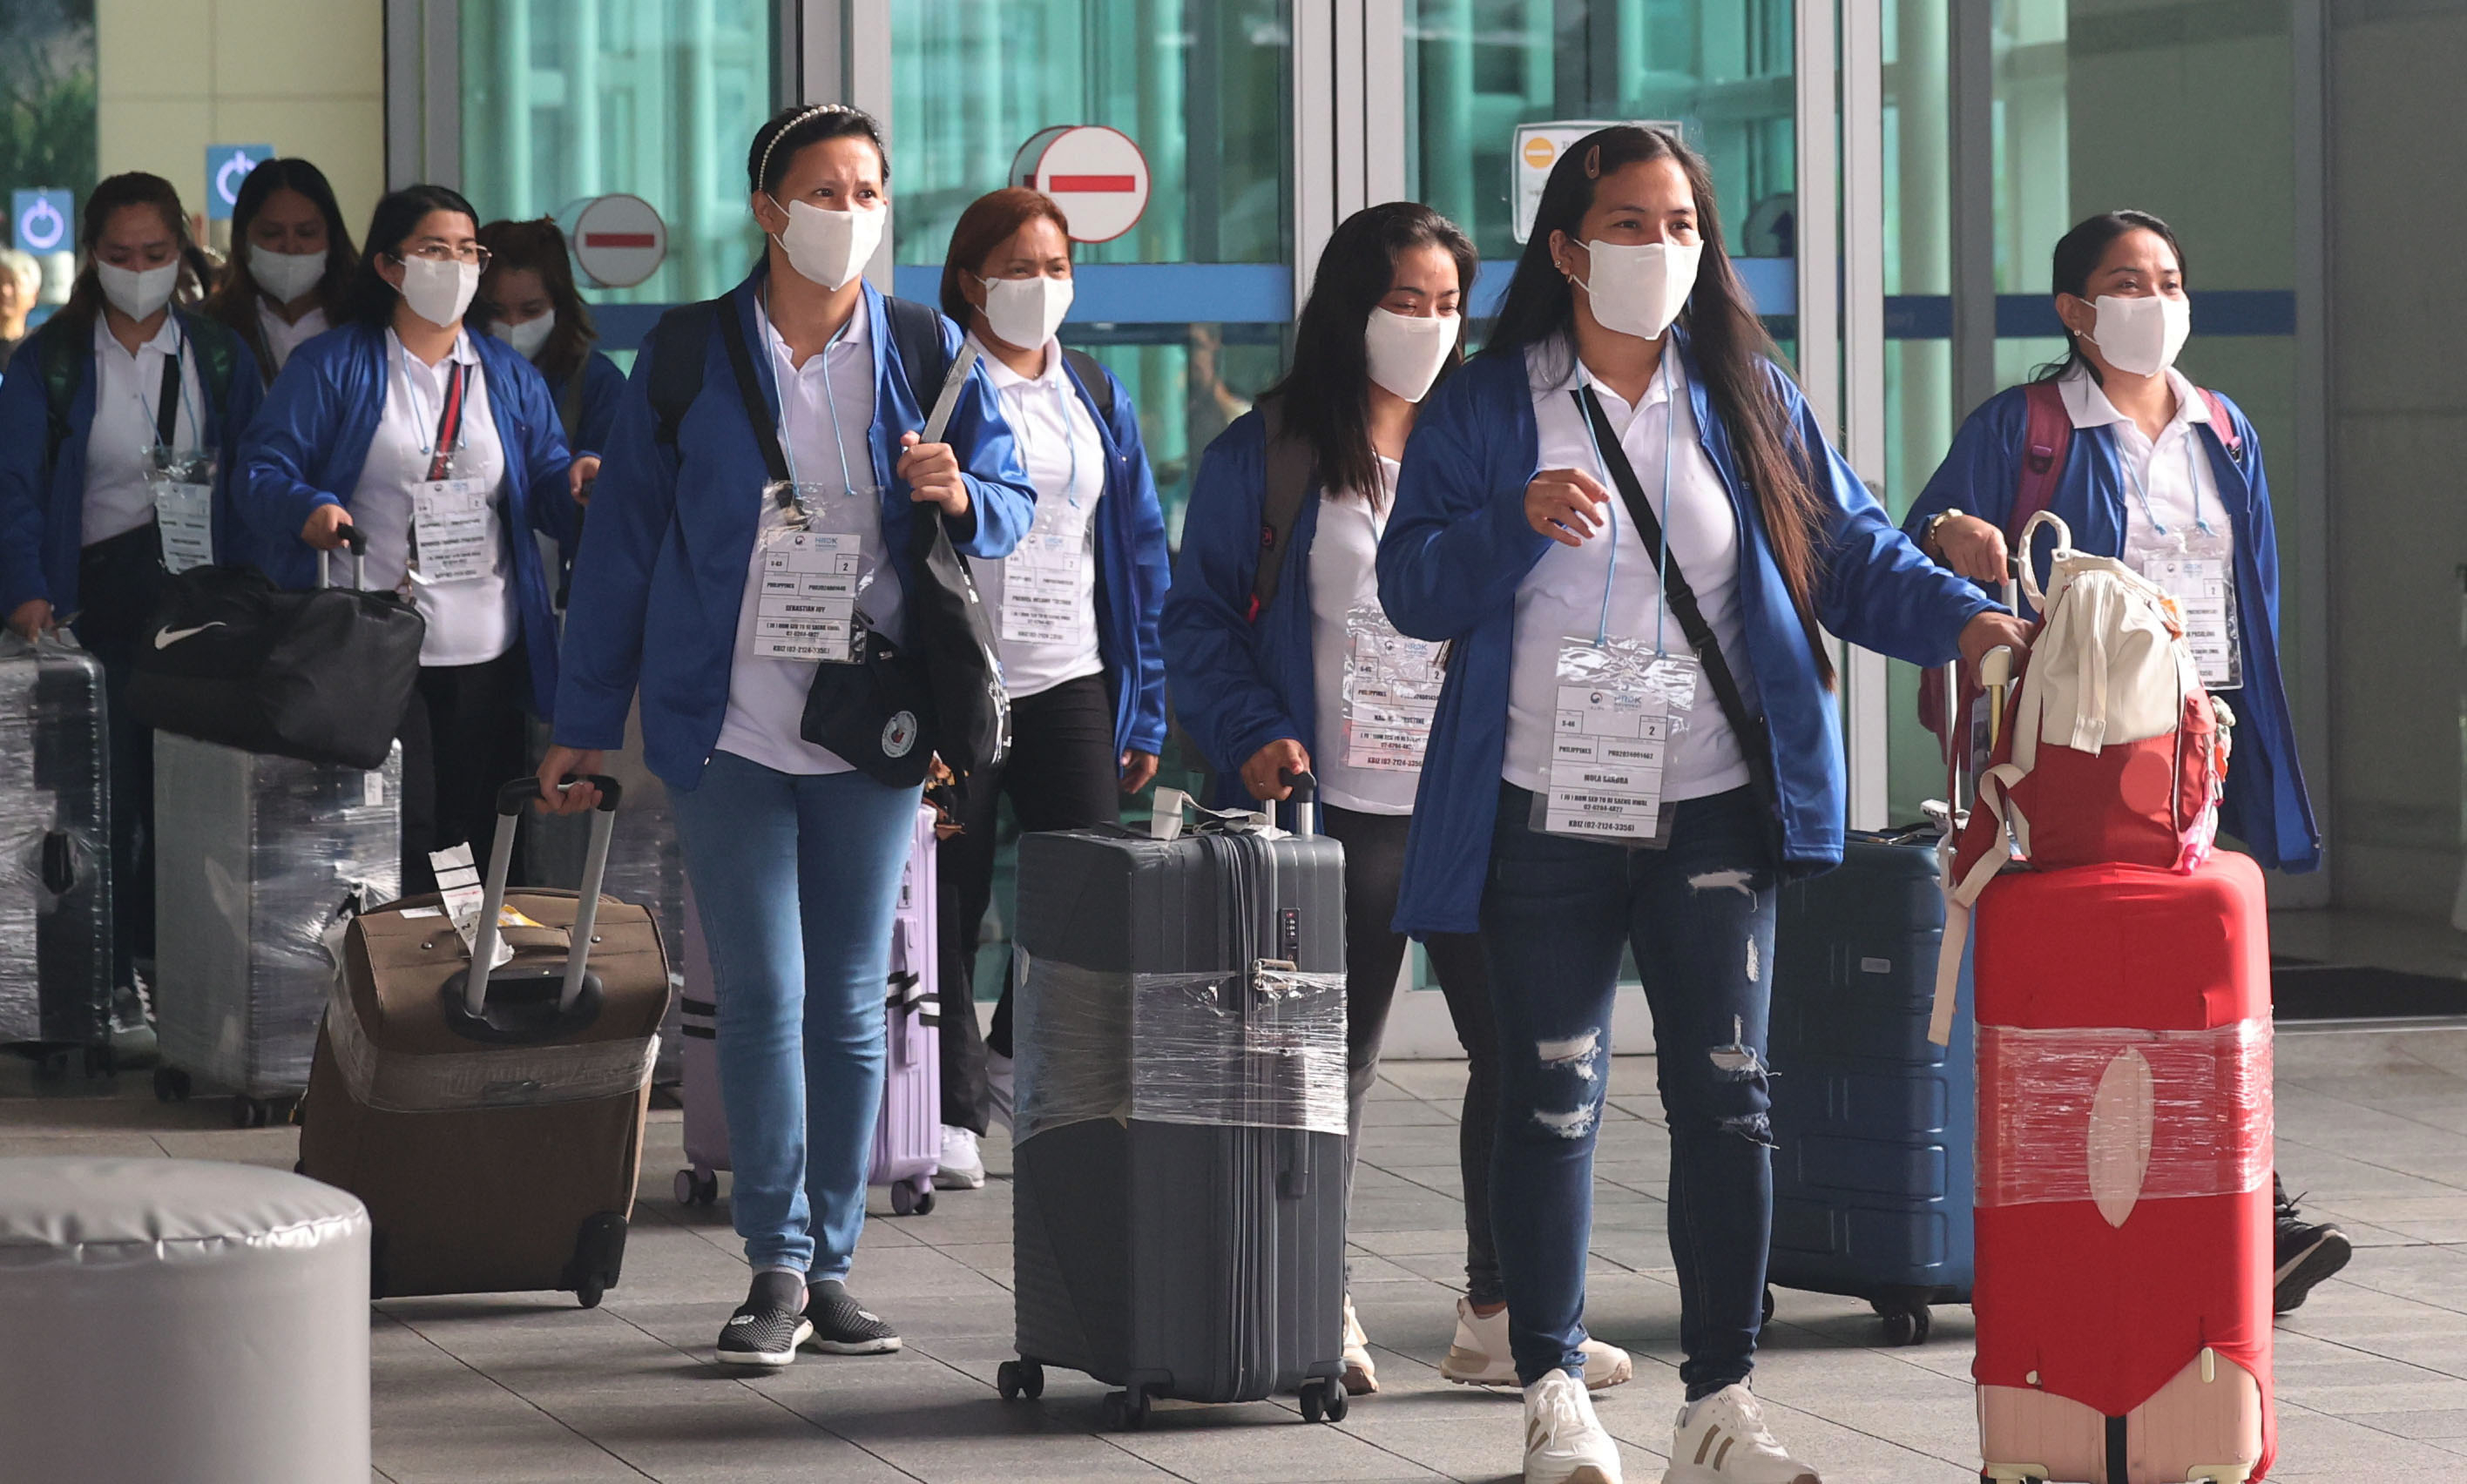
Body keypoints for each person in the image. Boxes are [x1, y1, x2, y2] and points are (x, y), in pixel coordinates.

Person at [1376, 126, 2030, 1484]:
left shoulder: (1747, 396)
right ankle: (1554, 1391)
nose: (1658, 250)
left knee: (1730, 1100)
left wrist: (1972, 626)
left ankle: (1720, 1404)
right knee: (1552, 1094)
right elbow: (1412, 588)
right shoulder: (1491, 405)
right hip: (1540, 807)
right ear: (1564, 248)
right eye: (1626, 224)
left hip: (1717, 806)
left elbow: (1850, 554)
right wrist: (1509, 520)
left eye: (1679, 224)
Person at [533, 104, 1034, 1370]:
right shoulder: (692, 355)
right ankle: (773, 1266)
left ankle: (833, 1262)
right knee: (760, 994)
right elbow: (625, 550)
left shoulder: (923, 344)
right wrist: (586, 727)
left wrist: (962, 490)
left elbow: (1009, 496)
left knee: (855, 1002)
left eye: (869, 189)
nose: (849, 212)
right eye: (823, 190)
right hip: (729, 724)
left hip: (871, 724)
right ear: (768, 209)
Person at [1163, 200, 1634, 1404]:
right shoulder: (1267, 454)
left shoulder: (1488, 442)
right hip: (1334, 804)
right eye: (1402, 301)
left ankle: (1498, 1305)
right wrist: (1255, 730)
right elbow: (1201, 619)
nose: (1427, 326)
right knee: (1334, 1060)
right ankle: (1316, 1294)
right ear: (1346, 308)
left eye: (1445, 305)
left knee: (1518, 1057)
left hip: (1477, 794)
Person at [1902, 208, 2340, 1316]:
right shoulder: (2030, 427)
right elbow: (1914, 543)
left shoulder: (2225, 430)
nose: (2155, 302)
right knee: (2119, 965)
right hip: (2085, 745)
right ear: (2075, 311)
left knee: (2192, 964)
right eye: (2126, 283)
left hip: (2203, 730)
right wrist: (1958, 543)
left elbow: (2259, 594)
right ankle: (2205, 1213)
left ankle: (2235, 1211)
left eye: (2169, 280)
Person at [237, 184, 585, 895]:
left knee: (479, 822)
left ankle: (469, 969)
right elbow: (259, 468)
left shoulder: (508, 376)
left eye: (467, 251)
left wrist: (576, 480)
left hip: (487, 643)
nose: (454, 265)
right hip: (380, 644)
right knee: (411, 824)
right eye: (434, 250)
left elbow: (544, 482)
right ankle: (411, 972)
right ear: (390, 267)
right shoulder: (335, 364)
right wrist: (309, 506)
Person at [929, 186, 1170, 1190]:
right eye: (1018, 269)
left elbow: (1140, 552)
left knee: (1089, 893)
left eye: (1056, 268)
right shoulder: (937, 381)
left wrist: (1144, 696)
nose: (1040, 287)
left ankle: (1011, 1060)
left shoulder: (1097, 393)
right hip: (961, 677)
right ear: (971, 281)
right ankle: (944, 1111)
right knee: (953, 895)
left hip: (1069, 671)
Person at [0, 172, 263, 1011]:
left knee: (191, 802)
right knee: (99, 801)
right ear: (90, 256)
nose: (138, 268)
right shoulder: (56, 359)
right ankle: (101, 985)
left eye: (155, 253)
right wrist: (27, 589)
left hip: (196, 601)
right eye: (120, 254)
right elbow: (14, 485)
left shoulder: (217, 355)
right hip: (93, 604)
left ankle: (184, 985)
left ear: (181, 254)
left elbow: (256, 476)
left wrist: (258, 599)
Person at [476, 217, 627, 601]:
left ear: (559, 304)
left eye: (530, 310)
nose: (512, 326)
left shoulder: (595, 383)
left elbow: (614, 504)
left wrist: (584, 474)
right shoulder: (457, 376)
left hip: (560, 585)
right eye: (496, 311)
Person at [199, 158, 358, 383]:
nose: (290, 247)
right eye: (272, 233)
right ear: (242, 241)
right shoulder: (211, 329)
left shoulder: (365, 322)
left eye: (307, 232)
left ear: (332, 238)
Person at [0, 247, 38, 371]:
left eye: (13, 283)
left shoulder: (40, 349)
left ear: (34, 295)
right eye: (0, 282)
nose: (5, 291)